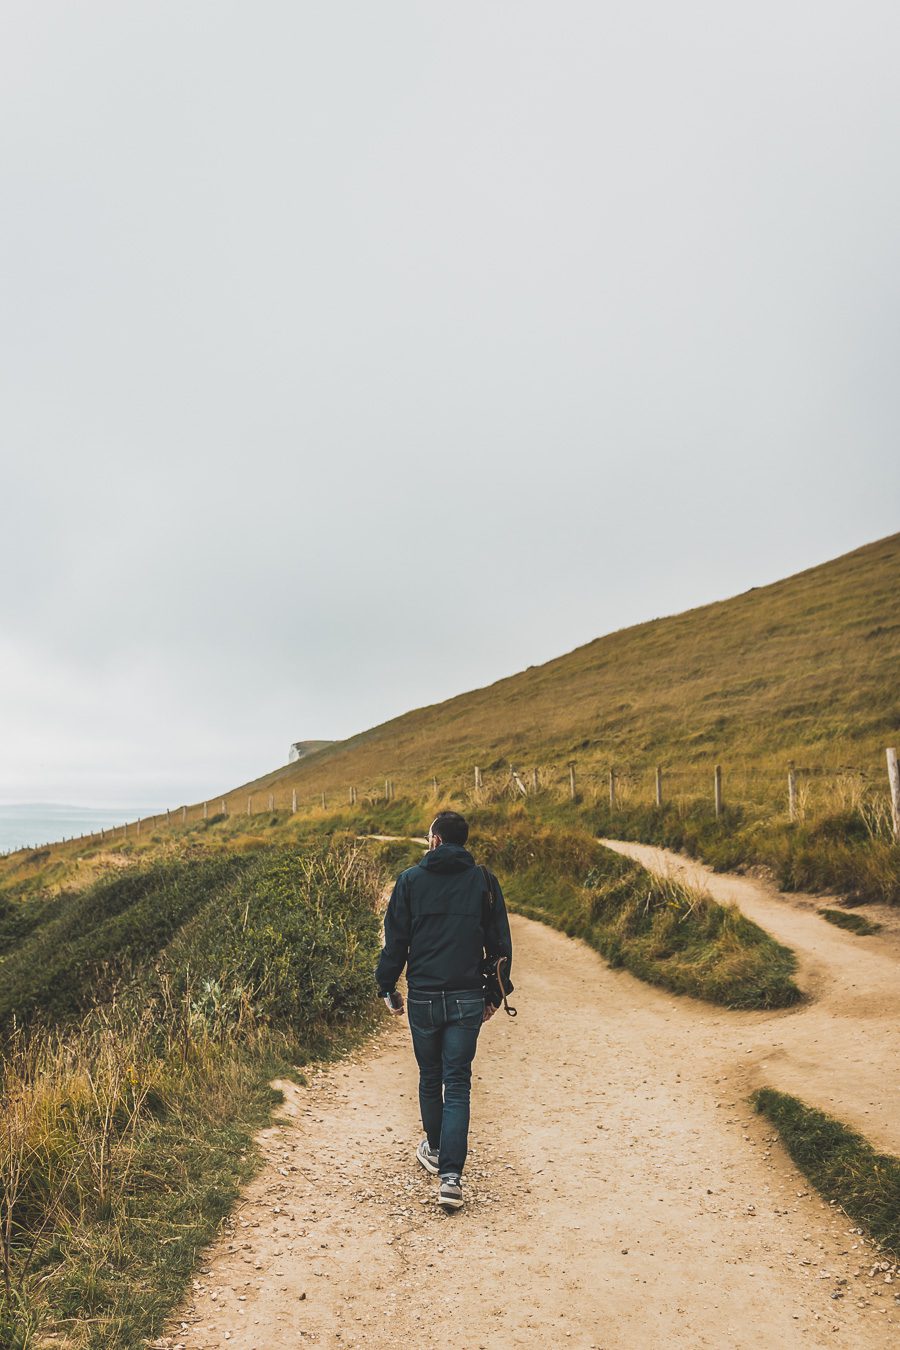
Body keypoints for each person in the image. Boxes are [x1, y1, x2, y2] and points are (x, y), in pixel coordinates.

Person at [375, 810, 513, 1211]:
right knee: (458, 1083)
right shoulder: (484, 882)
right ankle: (450, 1178)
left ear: (435, 841)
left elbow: (395, 944)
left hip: (423, 997)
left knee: (430, 1075)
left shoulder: (410, 881)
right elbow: (500, 947)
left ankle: (435, 1149)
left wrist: (387, 986)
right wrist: (493, 995)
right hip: (468, 996)